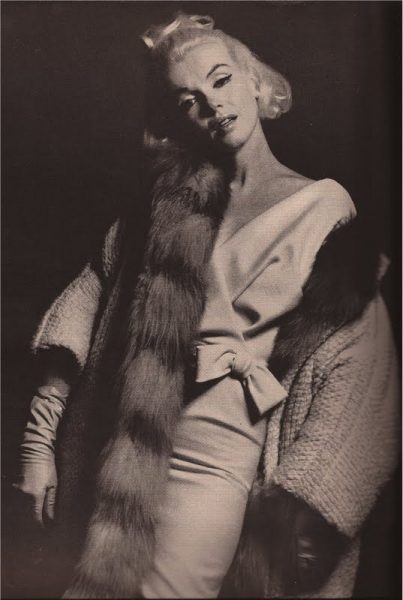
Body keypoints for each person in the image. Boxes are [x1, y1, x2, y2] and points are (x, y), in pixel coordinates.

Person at [13, 12, 399, 599]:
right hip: (126, 452)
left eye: (221, 80)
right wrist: (38, 442)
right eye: (189, 100)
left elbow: (361, 369)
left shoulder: (324, 210)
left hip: (218, 461)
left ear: (254, 81)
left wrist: (307, 511)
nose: (213, 104)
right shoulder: (170, 202)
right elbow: (87, 300)